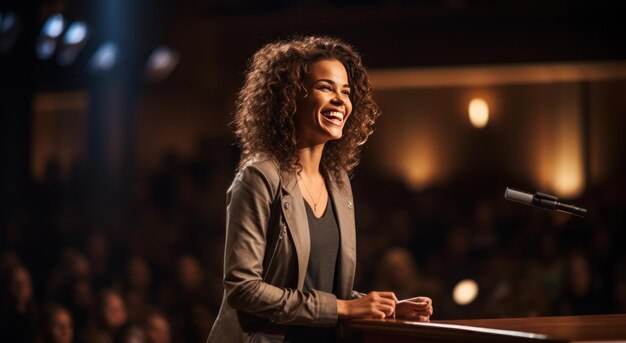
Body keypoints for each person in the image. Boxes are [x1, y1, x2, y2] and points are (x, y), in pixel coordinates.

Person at [207, 36, 433, 343]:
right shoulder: (258, 178)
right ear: (289, 97)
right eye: (326, 87)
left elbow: (322, 288)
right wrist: (344, 307)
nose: (341, 100)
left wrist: (381, 308)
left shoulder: (338, 181)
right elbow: (243, 289)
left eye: (346, 92)